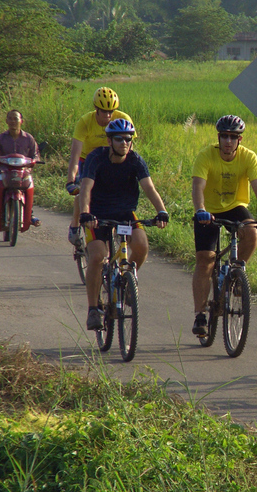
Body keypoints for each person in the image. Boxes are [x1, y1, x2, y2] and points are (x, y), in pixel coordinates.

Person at [191, 115, 257, 336]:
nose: (228, 141)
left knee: (251, 232)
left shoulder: (248, 157)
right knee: (205, 261)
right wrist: (200, 210)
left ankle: (237, 270)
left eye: (233, 137)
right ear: (218, 138)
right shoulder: (206, 156)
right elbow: (198, 187)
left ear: (239, 140)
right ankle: (200, 315)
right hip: (208, 210)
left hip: (235, 206)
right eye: (224, 136)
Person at [78, 119, 168, 331]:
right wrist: (84, 213)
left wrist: (161, 211)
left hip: (125, 213)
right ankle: (93, 308)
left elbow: (149, 188)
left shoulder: (135, 160)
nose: (124, 143)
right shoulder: (96, 158)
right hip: (97, 214)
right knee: (99, 255)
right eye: (119, 139)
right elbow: (86, 189)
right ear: (109, 140)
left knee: (141, 245)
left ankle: (126, 281)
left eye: (128, 139)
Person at [66, 87, 133, 246]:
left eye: (111, 111)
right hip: (88, 160)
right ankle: (75, 225)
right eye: (104, 111)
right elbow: (75, 155)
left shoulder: (123, 119)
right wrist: (70, 180)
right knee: (82, 190)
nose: (108, 116)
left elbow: (129, 151)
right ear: (96, 109)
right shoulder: (85, 122)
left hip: (111, 161)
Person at [0, 109, 41, 226]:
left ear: (21, 121)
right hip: (3, 170)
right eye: (10, 119)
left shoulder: (29, 138)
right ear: (6, 121)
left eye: (16, 119)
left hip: (22, 171)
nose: (13, 121)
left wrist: (35, 160)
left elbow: (36, 154)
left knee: (29, 186)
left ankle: (30, 213)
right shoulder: (0, 138)